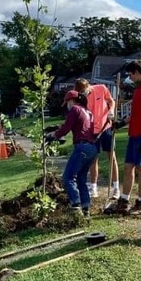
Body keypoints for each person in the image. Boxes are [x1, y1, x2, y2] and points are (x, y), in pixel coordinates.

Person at [110, 59, 141, 216]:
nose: (129, 77)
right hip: (133, 134)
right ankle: (124, 201)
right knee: (128, 167)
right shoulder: (138, 89)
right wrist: (122, 122)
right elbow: (136, 113)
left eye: (131, 74)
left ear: (137, 73)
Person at [45, 90, 97, 218]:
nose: (67, 105)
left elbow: (67, 128)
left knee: (68, 177)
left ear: (71, 100)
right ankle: (86, 209)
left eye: (67, 102)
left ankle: (76, 205)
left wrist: (54, 135)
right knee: (81, 179)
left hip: (81, 147)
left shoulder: (74, 109)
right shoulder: (88, 111)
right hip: (92, 148)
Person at [73, 78, 117, 199]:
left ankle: (116, 188)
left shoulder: (101, 88)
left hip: (106, 127)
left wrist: (111, 110)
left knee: (111, 157)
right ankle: (94, 188)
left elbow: (111, 101)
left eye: (84, 91)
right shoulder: (80, 98)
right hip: (91, 131)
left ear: (89, 86)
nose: (83, 94)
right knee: (93, 160)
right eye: (80, 92)